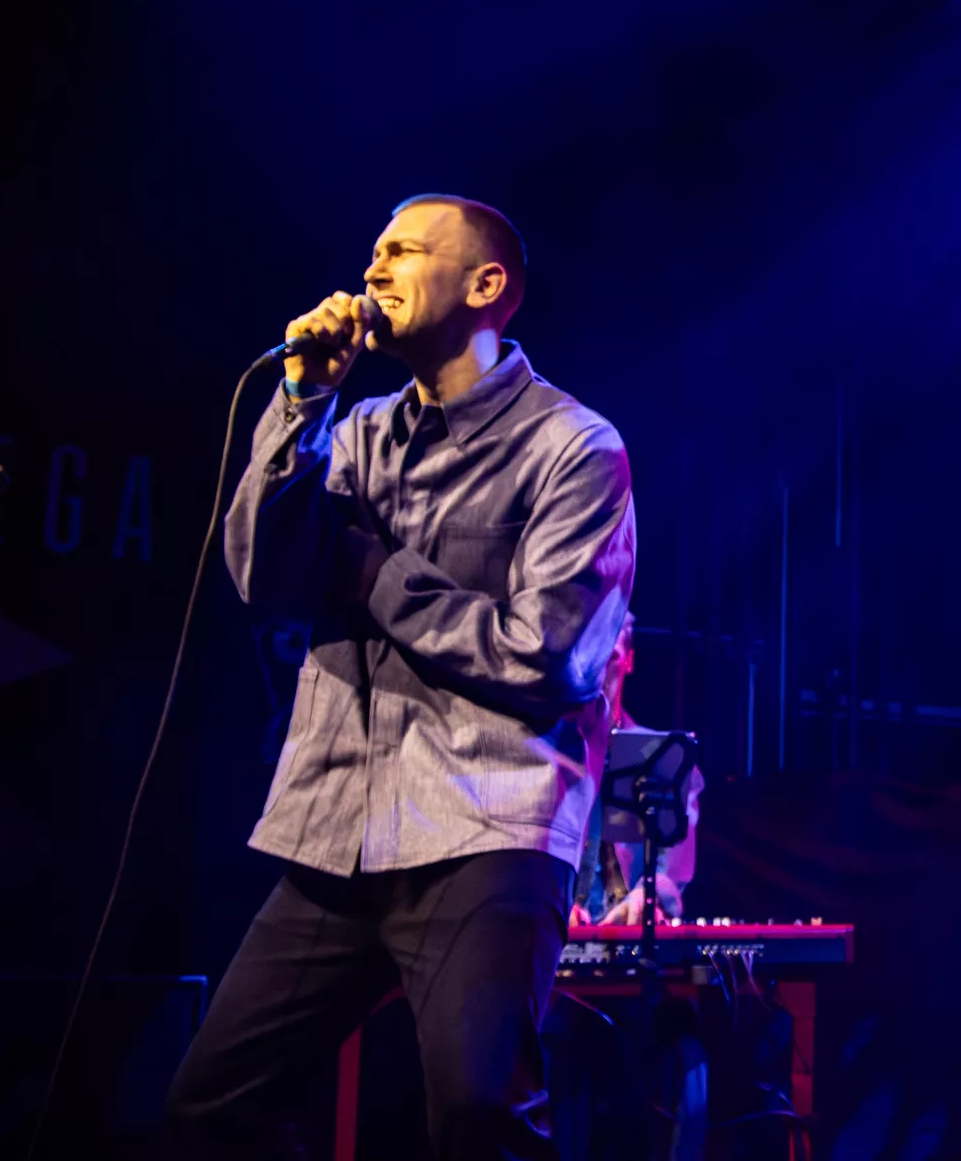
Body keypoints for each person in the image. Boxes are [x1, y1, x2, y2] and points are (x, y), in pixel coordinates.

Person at [165, 194, 636, 1160]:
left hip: (485, 827)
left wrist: (372, 571)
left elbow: (551, 654)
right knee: (210, 1110)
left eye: (404, 251)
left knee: (478, 1113)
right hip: (336, 824)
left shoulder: (573, 448)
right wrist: (302, 402)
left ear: (485, 285)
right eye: (373, 252)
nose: (373, 270)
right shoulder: (353, 434)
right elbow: (263, 574)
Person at [569, 626, 702, 928]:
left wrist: (647, 895)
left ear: (629, 659)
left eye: (611, 656)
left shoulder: (663, 757)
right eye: (592, 653)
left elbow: (673, 864)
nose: (600, 669)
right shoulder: (546, 755)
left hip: (629, 934)